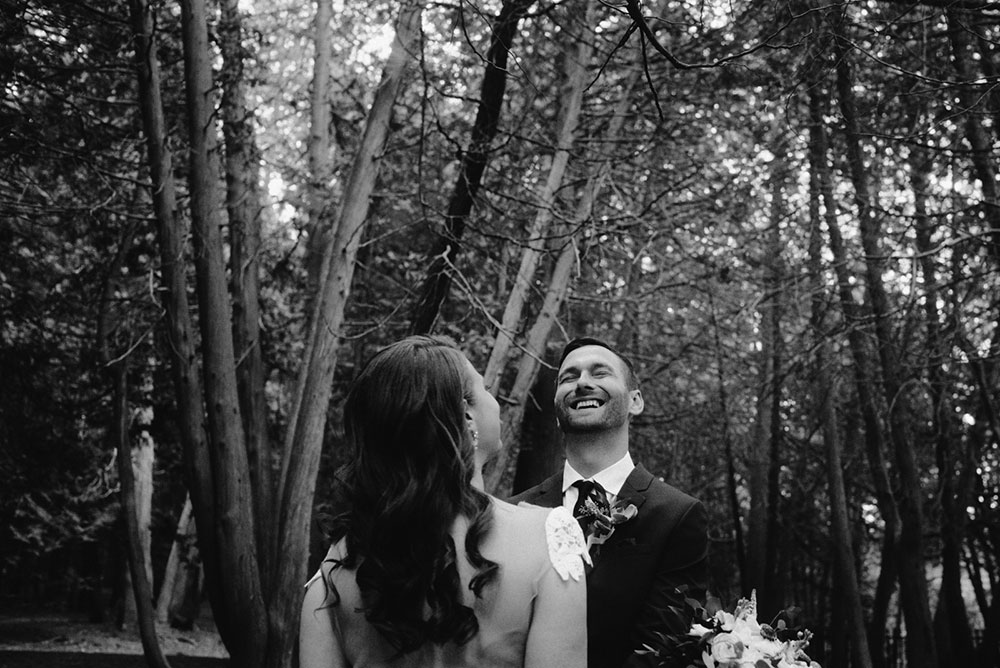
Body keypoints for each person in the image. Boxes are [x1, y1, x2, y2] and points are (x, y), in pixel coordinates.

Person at [299, 335, 589, 668]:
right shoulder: (550, 539)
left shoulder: (332, 575)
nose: (495, 401)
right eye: (488, 389)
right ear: (466, 417)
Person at [510, 337, 709, 668]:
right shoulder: (515, 512)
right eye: (568, 378)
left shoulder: (678, 515)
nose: (583, 382)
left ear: (635, 402)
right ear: (558, 411)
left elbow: (665, 648)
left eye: (600, 373)